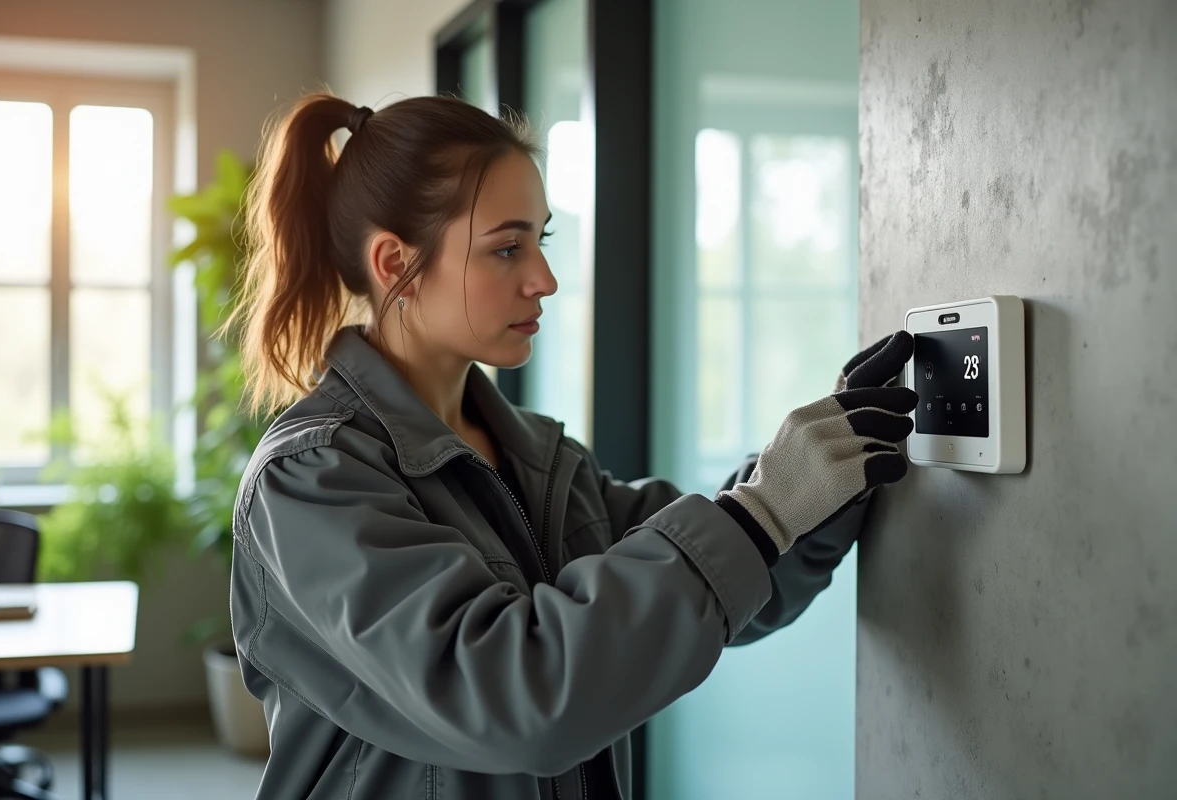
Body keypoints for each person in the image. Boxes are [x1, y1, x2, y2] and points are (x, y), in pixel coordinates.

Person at [228, 91, 917, 800]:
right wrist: (767, 509)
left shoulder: (542, 459)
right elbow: (513, 696)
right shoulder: (312, 478)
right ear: (394, 262)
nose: (544, 280)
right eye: (506, 248)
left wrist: (825, 474)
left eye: (541, 241)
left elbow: (717, 580)